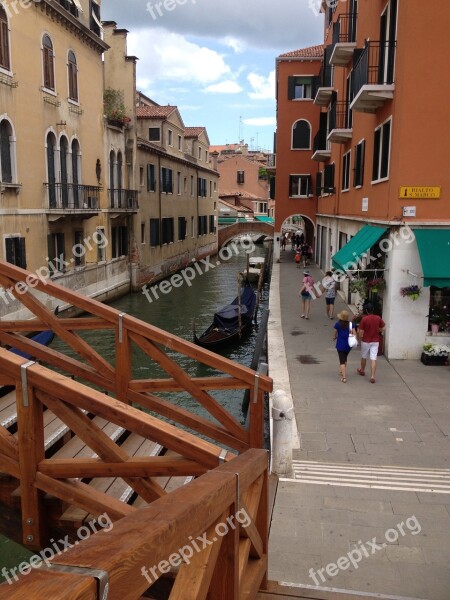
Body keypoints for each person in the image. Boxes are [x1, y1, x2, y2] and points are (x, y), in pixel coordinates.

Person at [357, 303, 386, 384]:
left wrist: (359, 338)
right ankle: (372, 376)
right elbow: (384, 327)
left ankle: (362, 370)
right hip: (375, 341)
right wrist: (379, 330)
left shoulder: (364, 319)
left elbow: (361, 331)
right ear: (373, 310)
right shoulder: (378, 318)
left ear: (366, 310)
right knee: (373, 358)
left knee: (364, 356)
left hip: (366, 340)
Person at [333, 310, 356, 383]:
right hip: (348, 345)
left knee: (342, 361)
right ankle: (342, 371)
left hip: (340, 345)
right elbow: (354, 333)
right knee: (345, 358)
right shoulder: (351, 324)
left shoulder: (338, 324)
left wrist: (334, 337)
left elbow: (335, 332)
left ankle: (344, 377)